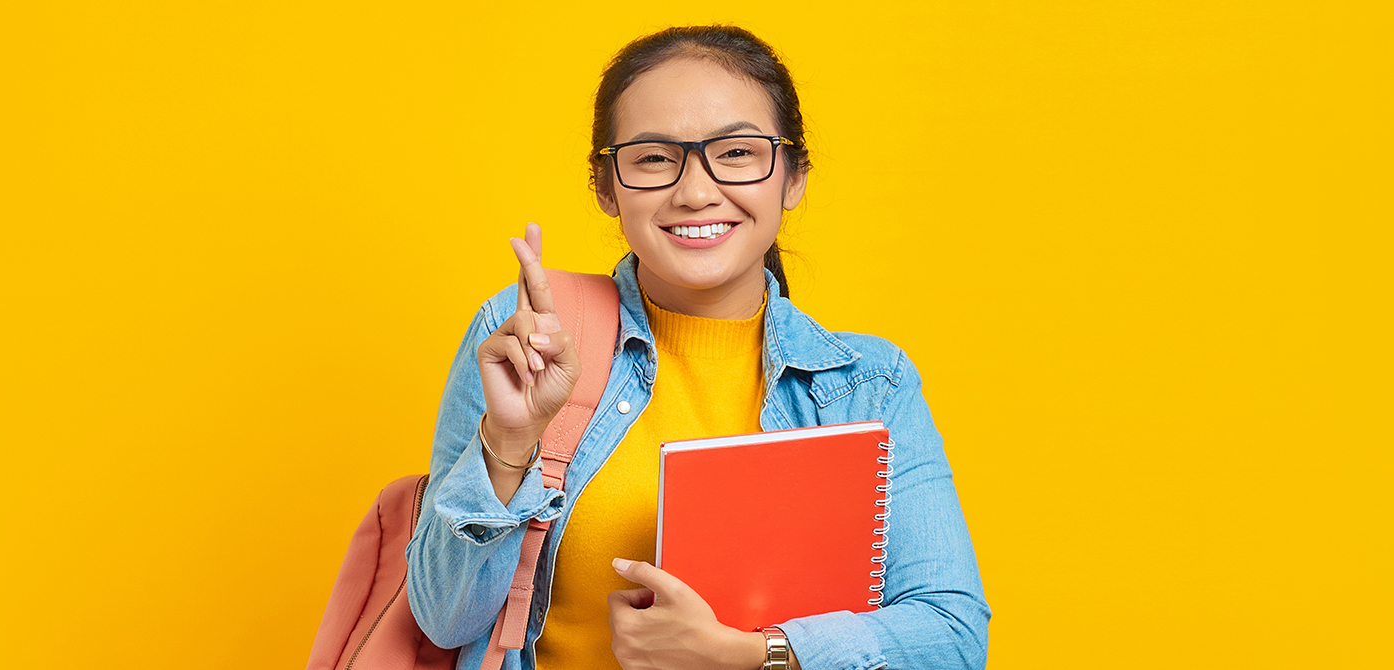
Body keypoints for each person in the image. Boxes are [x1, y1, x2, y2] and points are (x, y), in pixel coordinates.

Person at [405, 25, 990, 670]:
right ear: (607, 187)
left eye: (736, 153)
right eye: (655, 158)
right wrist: (509, 445)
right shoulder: (532, 336)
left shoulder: (868, 384)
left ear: (792, 177)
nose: (696, 191)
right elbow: (443, 616)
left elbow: (953, 637)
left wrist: (748, 654)